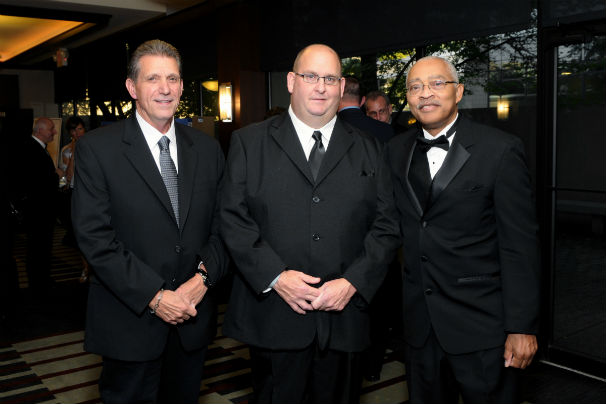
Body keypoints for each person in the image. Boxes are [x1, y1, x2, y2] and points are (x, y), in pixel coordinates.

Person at [220, 44, 400, 404]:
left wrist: (353, 282)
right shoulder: (249, 142)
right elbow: (232, 218)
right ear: (291, 81)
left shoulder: (371, 148)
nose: (321, 87)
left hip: (345, 317)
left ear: (341, 87)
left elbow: (387, 225)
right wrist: (276, 277)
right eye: (311, 76)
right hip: (274, 317)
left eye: (330, 78)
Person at [72, 39, 228, 404]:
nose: (165, 88)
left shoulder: (207, 149)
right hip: (130, 322)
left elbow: (226, 225)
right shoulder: (98, 149)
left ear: (181, 86)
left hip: (192, 319)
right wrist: (155, 297)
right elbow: (94, 237)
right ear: (132, 87)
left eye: (172, 79)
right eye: (153, 78)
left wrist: (203, 279)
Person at [387, 55, 540, 403]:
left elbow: (519, 246)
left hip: (482, 326)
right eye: (415, 86)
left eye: (437, 83)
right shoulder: (395, 150)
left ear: (458, 92)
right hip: (420, 327)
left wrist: (521, 327)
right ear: (408, 98)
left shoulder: (499, 150)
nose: (425, 93)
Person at [338, 75, 399, 381]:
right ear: (362, 102)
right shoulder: (388, 135)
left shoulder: (329, 131)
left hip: (339, 242)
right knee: (377, 307)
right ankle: (371, 368)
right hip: (379, 238)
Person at [21, 117, 60, 292]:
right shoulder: (32, 149)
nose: (55, 132)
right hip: (38, 211)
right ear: (40, 130)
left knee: (41, 247)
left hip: (41, 210)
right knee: (38, 247)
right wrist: (56, 177)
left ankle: (41, 280)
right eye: (51, 129)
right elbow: (38, 182)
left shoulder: (37, 148)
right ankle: (39, 284)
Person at [57, 116, 89, 281]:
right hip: (75, 192)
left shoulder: (94, 145)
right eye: (73, 130)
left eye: (80, 129)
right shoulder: (66, 150)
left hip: (93, 193)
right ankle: (85, 267)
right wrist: (74, 152)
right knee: (79, 233)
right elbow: (67, 177)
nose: (77, 133)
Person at [338, 76, 394, 143]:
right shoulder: (385, 130)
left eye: (382, 111)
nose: (378, 117)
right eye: (373, 113)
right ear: (363, 101)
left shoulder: (330, 129)